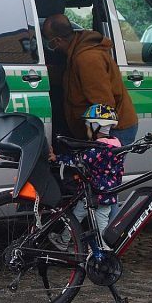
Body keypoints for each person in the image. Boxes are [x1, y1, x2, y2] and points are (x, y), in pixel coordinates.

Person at [42, 13, 139, 144]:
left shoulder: (87, 59)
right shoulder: (76, 52)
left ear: (58, 41)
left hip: (112, 131)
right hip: (101, 129)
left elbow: (103, 104)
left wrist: (99, 140)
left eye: (49, 43)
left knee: (102, 165)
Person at [49, 104, 126, 251]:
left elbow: (78, 160)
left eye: (89, 126)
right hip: (106, 192)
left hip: (96, 193)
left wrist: (57, 158)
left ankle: (104, 250)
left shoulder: (97, 149)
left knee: (89, 220)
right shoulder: (116, 145)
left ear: (97, 126)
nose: (87, 130)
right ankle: (65, 240)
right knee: (84, 216)